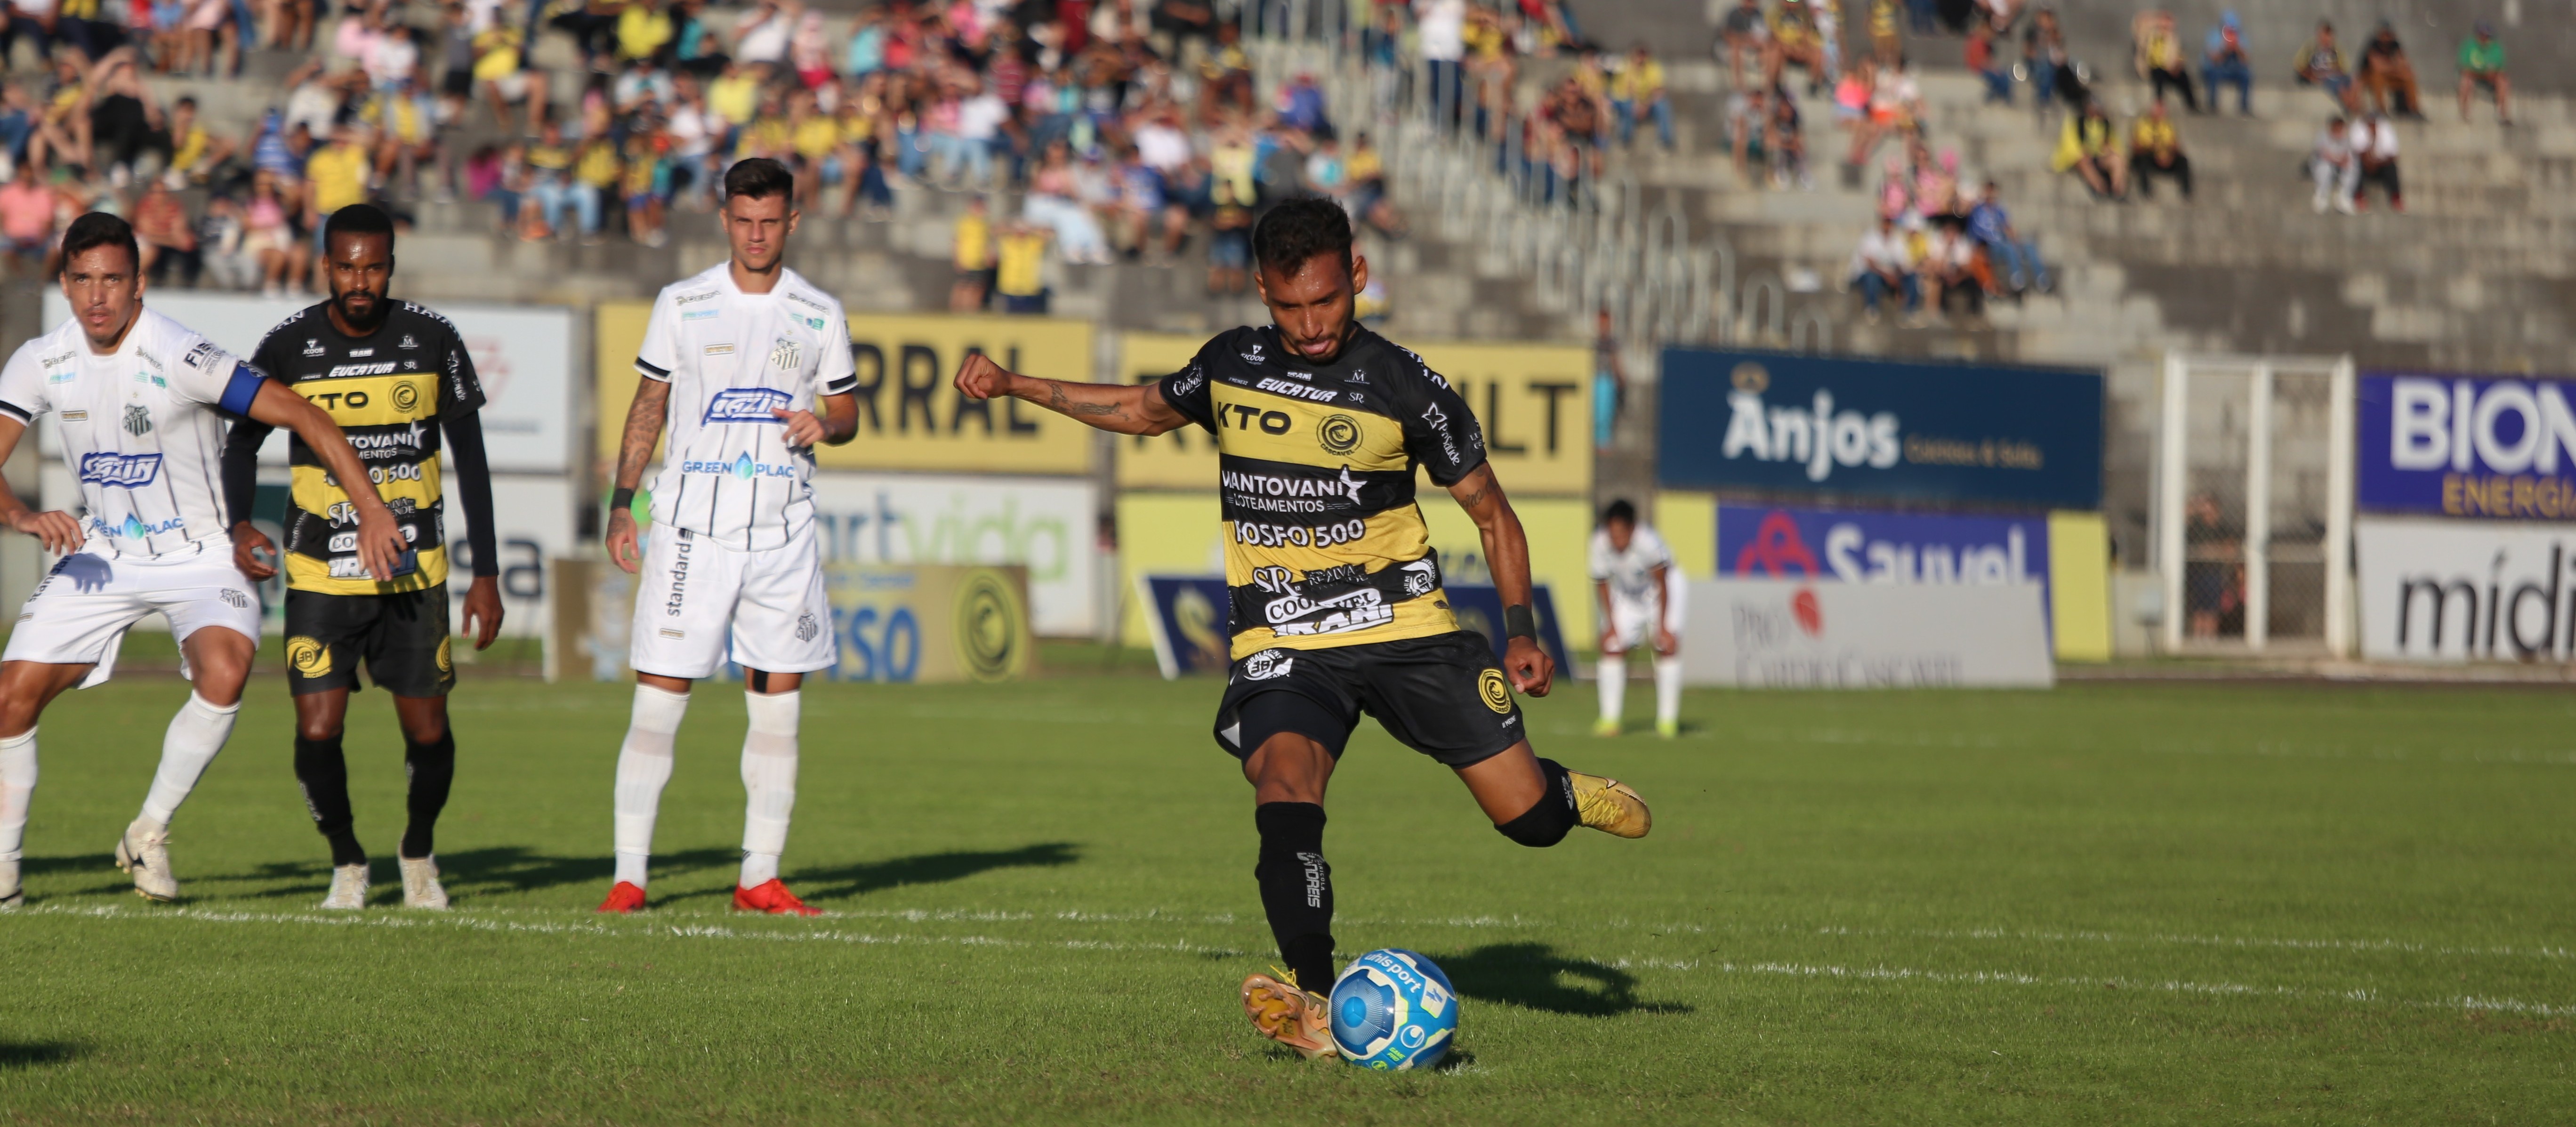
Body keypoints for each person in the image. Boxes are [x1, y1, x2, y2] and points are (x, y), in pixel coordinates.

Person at [949, 198, 1651, 1058]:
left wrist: (1519, 628)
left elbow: (1493, 513)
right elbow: (1140, 408)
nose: (1312, 325)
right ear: (1260, 290)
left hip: (1407, 630)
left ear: (1355, 275)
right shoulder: (1231, 363)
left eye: (1326, 300)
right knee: (1282, 786)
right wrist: (1019, 384)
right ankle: (1314, 998)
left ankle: (1564, 792)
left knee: (1527, 822)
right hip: (1285, 642)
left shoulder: (1405, 385)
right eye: (1290, 307)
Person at [0, 212, 407, 908]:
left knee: (224, 672)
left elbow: (307, 415)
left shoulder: (182, 354)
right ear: (64, 284)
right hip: (107, 551)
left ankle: (148, 833)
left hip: (203, 554)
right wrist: (20, 515)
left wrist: (371, 508)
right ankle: (5, 870)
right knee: (10, 699)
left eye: (113, 280)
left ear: (139, 284)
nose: (98, 296)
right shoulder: (42, 360)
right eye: (83, 280)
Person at [219, 205, 501, 911]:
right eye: (346, 266)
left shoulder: (433, 339)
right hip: (321, 574)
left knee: (428, 731)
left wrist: (487, 573)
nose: (359, 280)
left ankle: (417, 851)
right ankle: (347, 859)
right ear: (326, 267)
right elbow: (239, 445)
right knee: (317, 727)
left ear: (390, 266)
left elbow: (471, 461)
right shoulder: (288, 346)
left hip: (416, 573)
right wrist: (237, 524)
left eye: (372, 267)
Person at [597, 158, 858, 918]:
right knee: (659, 700)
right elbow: (650, 402)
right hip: (691, 532)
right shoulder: (684, 302)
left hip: (782, 533)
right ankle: (630, 877)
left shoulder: (818, 312)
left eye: (770, 221)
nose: (755, 233)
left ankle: (759, 875)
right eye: (743, 220)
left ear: (791, 223)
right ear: (724, 219)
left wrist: (826, 423)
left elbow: (846, 410)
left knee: (779, 708)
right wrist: (623, 505)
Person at [1589, 499, 1682, 739]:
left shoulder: (1648, 542)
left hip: (1660, 593)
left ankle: (1667, 722)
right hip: (1627, 596)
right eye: (1612, 532)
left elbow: (1663, 582)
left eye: (1621, 532)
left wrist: (1662, 627)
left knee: (1665, 647)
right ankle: (1610, 720)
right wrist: (1609, 625)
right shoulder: (1599, 543)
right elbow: (1601, 584)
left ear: (1632, 529)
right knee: (1611, 647)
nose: (1616, 538)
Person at [1967, 179, 2046, 294]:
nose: (1991, 195)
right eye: (1989, 191)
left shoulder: (1999, 211)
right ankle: (2016, 278)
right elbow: (1974, 235)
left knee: (2029, 246)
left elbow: (2009, 228)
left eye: (1993, 191)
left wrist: (2016, 239)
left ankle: (2042, 279)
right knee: (2009, 248)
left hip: (2003, 243)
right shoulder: (1977, 211)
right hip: (1990, 246)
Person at [1849, 212, 1920, 324]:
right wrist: (1888, 277)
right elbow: (1870, 264)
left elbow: (1901, 263)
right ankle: (1872, 308)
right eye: (1886, 222)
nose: (1888, 225)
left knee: (1911, 277)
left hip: (1888, 276)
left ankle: (1909, 311)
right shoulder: (1870, 238)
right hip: (1865, 275)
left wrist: (1898, 275)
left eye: (1890, 223)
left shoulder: (1896, 241)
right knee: (1871, 277)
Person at [2051, 100, 2124, 200]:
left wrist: (2108, 151)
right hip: (2081, 157)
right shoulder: (2077, 123)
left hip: (2099, 157)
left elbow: (2115, 145)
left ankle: (2117, 190)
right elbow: (2070, 145)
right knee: (2084, 161)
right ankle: (2100, 189)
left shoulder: (2106, 125)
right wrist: (2084, 152)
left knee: (2117, 160)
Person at [2127, 99, 2190, 201]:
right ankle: (2146, 193)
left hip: (2165, 157)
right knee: (2143, 160)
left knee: (2183, 161)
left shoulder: (2168, 125)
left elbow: (2176, 145)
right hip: (2149, 156)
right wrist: (2153, 150)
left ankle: (2186, 193)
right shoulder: (2141, 124)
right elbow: (2136, 147)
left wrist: (2169, 157)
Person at [2292, 21, 2355, 112]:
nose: (2326, 39)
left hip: (2335, 76)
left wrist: (2336, 70)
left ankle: (2351, 107)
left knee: (2353, 83)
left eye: (2329, 36)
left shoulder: (2336, 48)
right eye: (2324, 35)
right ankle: (2349, 109)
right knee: (2341, 88)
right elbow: (2299, 65)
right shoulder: (2311, 47)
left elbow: (2345, 67)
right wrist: (2312, 76)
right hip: (2321, 78)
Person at [2359, 22, 2419, 117]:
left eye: (2388, 35)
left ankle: (2414, 109)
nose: (2386, 38)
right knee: (2377, 78)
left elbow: (2404, 63)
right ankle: (2381, 109)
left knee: (2409, 76)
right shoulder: (2373, 45)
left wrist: (2392, 66)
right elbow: (2377, 67)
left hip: (2389, 76)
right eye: (2384, 35)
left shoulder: (2395, 45)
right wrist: (2394, 66)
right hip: (2368, 78)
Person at [2458, 21, 2509, 125]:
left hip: (2490, 79)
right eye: (2482, 35)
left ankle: (2502, 115)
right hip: (2473, 77)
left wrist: (2491, 74)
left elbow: (2500, 70)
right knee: (2466, 81)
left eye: (2487, 36)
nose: (2484, 38)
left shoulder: (2495, 48)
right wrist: (2480, 73)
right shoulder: (2469, 46)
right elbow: (2465, 69)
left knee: (2503, 82)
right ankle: (2465, 114)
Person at [2201, 10, 2251, 115]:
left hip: (2233, 70)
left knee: (2246, 75)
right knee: (2214, 73)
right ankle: (2212, 105)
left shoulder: (2240, 37)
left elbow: (2246, 61)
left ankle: (2244, 106)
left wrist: (2237, 48)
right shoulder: (2214, 35)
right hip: (2216, 69)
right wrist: (2225, 48)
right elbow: (2213, 60)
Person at [2350, 109, 2400, 212]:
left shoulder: (2385, 129)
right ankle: (2359, 196)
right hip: (2365, 165)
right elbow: (2359, 153)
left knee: (2392, 168)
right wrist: (2372, 139)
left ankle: (2396, 198)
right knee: (2357, 166)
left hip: (2380, 165)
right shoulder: (2358, 128)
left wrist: (2376, 163)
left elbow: (2392, 155)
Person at [2310, 114, 2357, 214]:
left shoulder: (2345, 138)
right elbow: (2323, 154)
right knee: (2325, 168)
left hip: (2339, 166)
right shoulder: (2323, 136)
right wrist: (2337, 160)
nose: (2339, 129)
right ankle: (2322, 195)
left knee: (2352, 167)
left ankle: (2345, 196)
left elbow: (2348, 155)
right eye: (2337, 126)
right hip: (2323, 165)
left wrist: (2343, 160)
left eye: (2341, 126)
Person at [1592, 307, 1621, 453]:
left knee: (1605, 412)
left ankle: (1603, 442)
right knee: (1595, 411)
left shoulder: (1612, 342)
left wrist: (1619, 377)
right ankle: (1594, 441)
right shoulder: (1594, 341)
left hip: (1606, 379)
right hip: (1595, 379)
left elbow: (1615, 361)